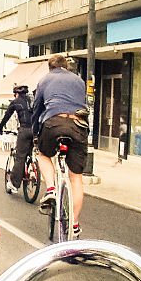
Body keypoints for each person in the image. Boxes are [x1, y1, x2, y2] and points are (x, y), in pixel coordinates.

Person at [31, 54, 87, 237]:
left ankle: (51, 190)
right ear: (66, 67)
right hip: (79, 125)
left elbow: (37, 109)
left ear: (50, 67)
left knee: (43, 154)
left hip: (53, 123)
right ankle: (75, 224)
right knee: (76, 177)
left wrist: (35, 132)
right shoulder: (79, 81)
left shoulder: (45, 80)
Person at [0, 85, 33, 194]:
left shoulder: (16, 102)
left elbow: (7, 115)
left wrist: (0, 128)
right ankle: (33, 169)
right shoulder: (32, 100)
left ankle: (14, 184)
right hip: (36, 130)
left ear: (16, 94)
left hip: (24, 129)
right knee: (30, 153)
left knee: (20, 157)